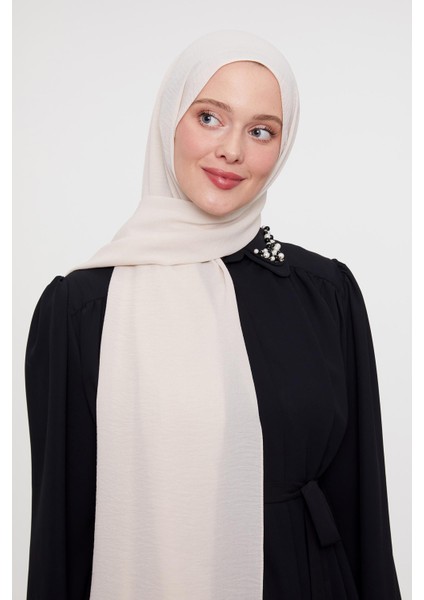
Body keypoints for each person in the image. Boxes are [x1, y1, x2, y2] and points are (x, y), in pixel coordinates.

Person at [24, 30, 402, 599]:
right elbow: (62, 532)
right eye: (209, 118)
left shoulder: (325, 293)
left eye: (260, 131)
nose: (232, 151)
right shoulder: (80, 311)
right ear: (169, 120)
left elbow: (362, 506)